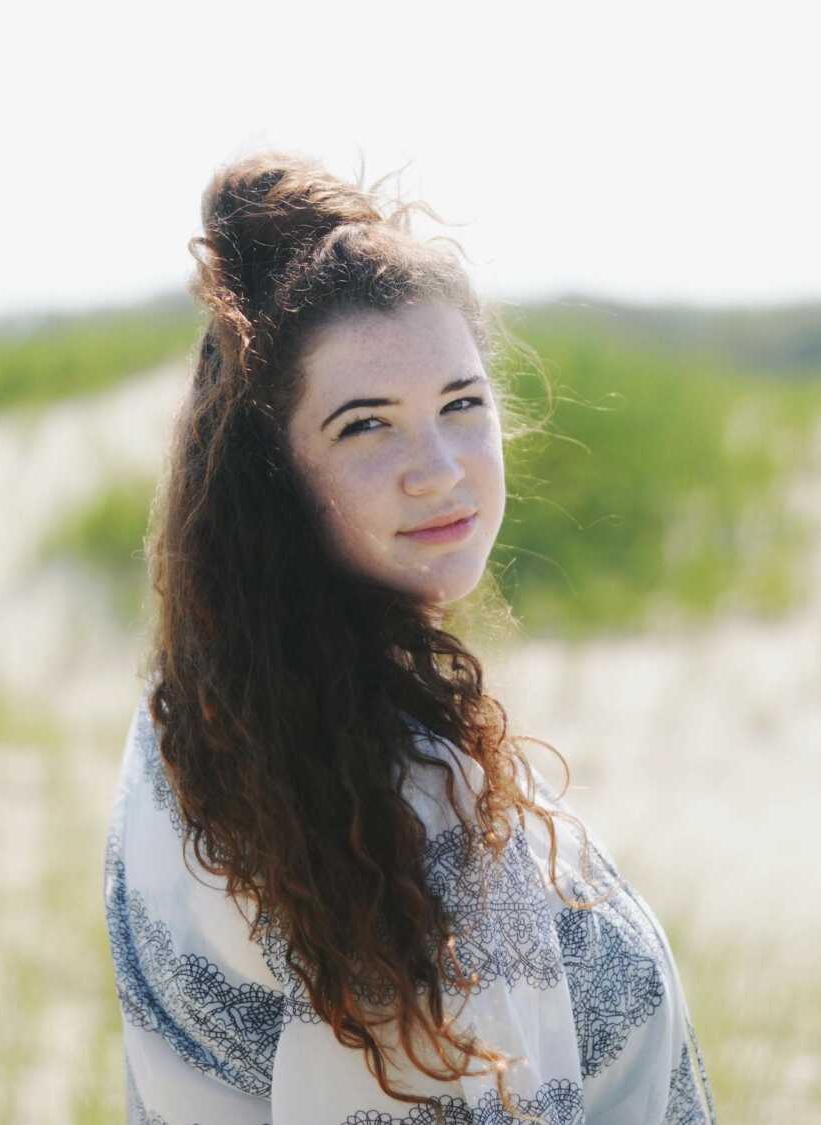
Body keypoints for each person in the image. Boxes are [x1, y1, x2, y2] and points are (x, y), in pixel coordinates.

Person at [102, 149, 717, 1124]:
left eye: (461, 405)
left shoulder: (190, 716)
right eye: (365, 426)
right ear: (274, 478)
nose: (439, 469)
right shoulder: (394, 796)